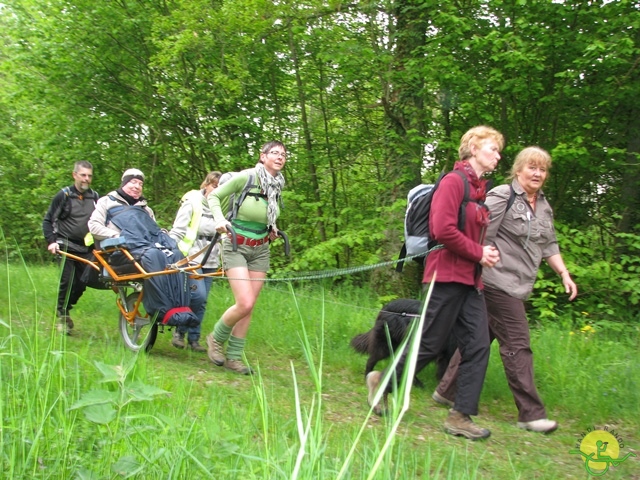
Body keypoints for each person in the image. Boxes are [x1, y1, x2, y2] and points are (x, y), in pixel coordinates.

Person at [366, 125, 504, 440]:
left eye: (498, 150)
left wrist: (483, 254)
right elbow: (442, 230)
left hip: (470, 281)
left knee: (479, 344)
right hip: (445, 277)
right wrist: (479, 252)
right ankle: (382, 383)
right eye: (492, 148)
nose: (497, 155)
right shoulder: (453, 182)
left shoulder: (479, 189)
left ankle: (460, 415)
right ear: (473, 148)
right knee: (429, 344)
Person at [433, 146, 577, 434]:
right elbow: (480, 232)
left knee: (478, 341)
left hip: (519, 283)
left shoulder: (543, 205)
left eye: (542, 169)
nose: (537, 173)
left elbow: (548, 243)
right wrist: (477, 262)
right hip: (496, 281)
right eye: (531, 167)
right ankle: (530, 413)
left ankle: (446, 391)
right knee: (517, 345)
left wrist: (563, 273)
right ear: (518, 170)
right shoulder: (502, 196)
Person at [88, 168, 207, 345]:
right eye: (133, 182)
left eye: (140, 184)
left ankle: (178, 309)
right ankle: (162, 309)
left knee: (175, 254)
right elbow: (94, 226)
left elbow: (153, 233)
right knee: (153, 256)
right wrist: (115, 236)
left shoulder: (146, 209)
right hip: (121, 252)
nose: (137, 187)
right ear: (124, 183)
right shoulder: (107, 202)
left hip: (144, 249)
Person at [205, 141, 286, 375]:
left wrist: (272, 227)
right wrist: (220, 220)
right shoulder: (247, 177)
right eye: (274, 153)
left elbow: (265, 212)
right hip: (236, 244)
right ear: (263, 157)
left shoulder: (278, 184)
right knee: (245, 302)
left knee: (249, 307)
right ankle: (215, 338)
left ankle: (234, 358)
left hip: (261, 248)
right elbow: (214, 197)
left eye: (283, 154)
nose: (280, 157)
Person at [42, 160, 99, 334]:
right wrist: (51, 241)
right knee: (67, 280)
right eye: (83, 175)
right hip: (64, 244)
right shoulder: (64, 195)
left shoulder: (95, 197)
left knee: (83, 282)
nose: (86, 179)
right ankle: (62, 314)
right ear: (75, 175)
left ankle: (66, 309)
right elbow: (48, 220)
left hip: (85, 248)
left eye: (89, 176)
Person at [169, 171, 222, 351]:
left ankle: (194, 339)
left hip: (211, 258)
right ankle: (179, 331)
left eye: (220, 188)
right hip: (190, 256)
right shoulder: (192, 202)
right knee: (196, 295)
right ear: (206, 184)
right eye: (214, 186)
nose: (217, 190)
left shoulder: (222, 207)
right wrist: (168, 249)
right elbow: (178, 229)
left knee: (203, 299)